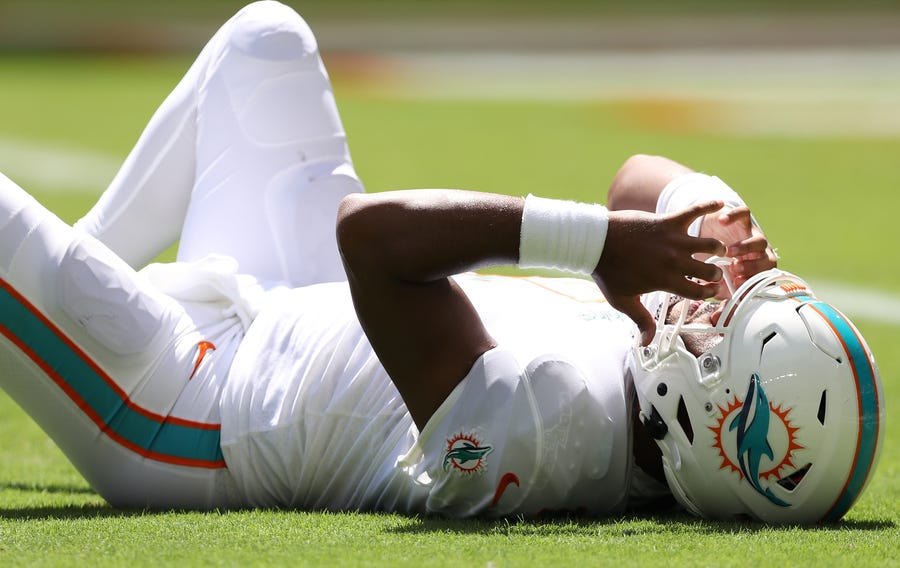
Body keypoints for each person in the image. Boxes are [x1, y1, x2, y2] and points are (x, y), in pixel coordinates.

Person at [0, 1, 883, 523]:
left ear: (706, 415)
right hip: (295, 301)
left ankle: (59, 297)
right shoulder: (667, 401)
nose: (708, 306)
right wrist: (724, 224)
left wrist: (604, 244)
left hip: (193, 407)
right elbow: (640, 176)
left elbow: (373, 238)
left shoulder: (547, 430)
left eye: (719, 325)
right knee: (264, 40)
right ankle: (62, 289)